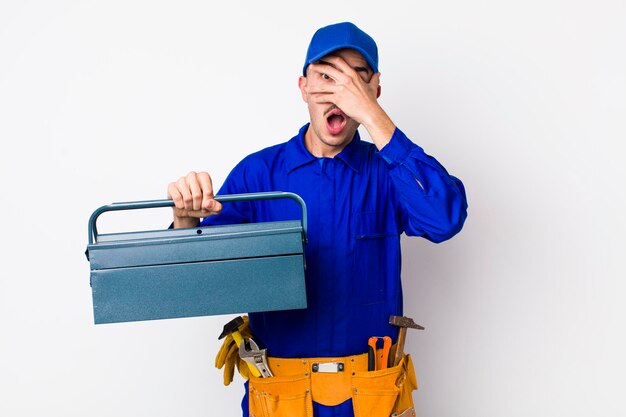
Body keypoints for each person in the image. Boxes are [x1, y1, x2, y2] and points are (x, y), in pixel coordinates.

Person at [167, 22, 467, 417]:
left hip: (374, 396)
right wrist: (186, 222)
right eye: (326, 77)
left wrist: (377, 120)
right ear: (303, 87)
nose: (339, 93)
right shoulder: (258, 175)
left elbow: (444, 218)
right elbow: (196, 282)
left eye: (355, 82)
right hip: (281, 396)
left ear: (374, 91)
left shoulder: (389, 173)